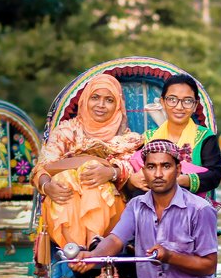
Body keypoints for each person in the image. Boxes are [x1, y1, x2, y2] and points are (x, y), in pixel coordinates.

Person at [70, 140, 220, 278]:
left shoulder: (200, 210)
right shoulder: (136, 206)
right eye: (151, 167)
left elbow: (209, 265)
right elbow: (116, 239)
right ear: (143, 171)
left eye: (166, 166)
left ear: (178, 169)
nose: (158, 174)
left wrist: (169, 256)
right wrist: (92, 257)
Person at [31, 74, 144, 248]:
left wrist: (110, 172)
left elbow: (134, 171)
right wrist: (47, 187)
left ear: (117, 106)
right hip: (60, 204)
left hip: (111, 214)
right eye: (95, 98)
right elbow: (42, 168)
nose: (101, 105)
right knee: (65, 179)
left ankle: (93, 241)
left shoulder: (127, 139)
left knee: (91, 172)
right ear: (85, 100)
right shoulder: (66, 132)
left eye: (109, 100)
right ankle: (75, 246)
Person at [128, 73, 221, 198]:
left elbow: (215, 175)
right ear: (162, 102)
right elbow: (134, 175)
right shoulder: (148, 138)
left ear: (195, 105)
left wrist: (180, 180)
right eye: (172, 100)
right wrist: (132, 180)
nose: (179, 107)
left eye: (187, 101)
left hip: (192, 207)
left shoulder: (205, 137)